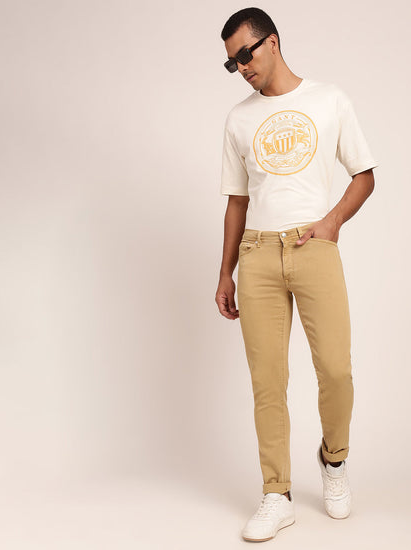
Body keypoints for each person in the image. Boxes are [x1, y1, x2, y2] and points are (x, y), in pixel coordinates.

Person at [215, 7, 378, 543]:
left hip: (313, 246)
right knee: (267, 381)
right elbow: (237, 202)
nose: (241, 67)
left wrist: (331, 223)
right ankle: (276, 493)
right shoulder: (238, 119)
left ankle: (334, 459)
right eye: (232, 62)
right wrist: (225, 273)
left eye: (245, 54)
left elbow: (364, 175)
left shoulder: (329, 99)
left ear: (273, 42)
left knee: (336, 369)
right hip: (257, 253)